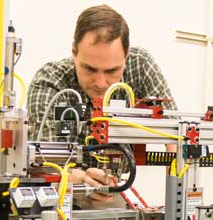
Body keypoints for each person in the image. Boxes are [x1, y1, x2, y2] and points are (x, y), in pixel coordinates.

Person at [27, 4, 177, 206]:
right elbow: (46, 161)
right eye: (89, 69)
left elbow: (175, 133)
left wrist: (176, 196)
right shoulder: (51, 82)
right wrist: (78, 179)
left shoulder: (139, 65)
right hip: (62, 191)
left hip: (113, 189)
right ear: (74, 52)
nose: (100, 83)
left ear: (126, 57)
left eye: (111, 71)